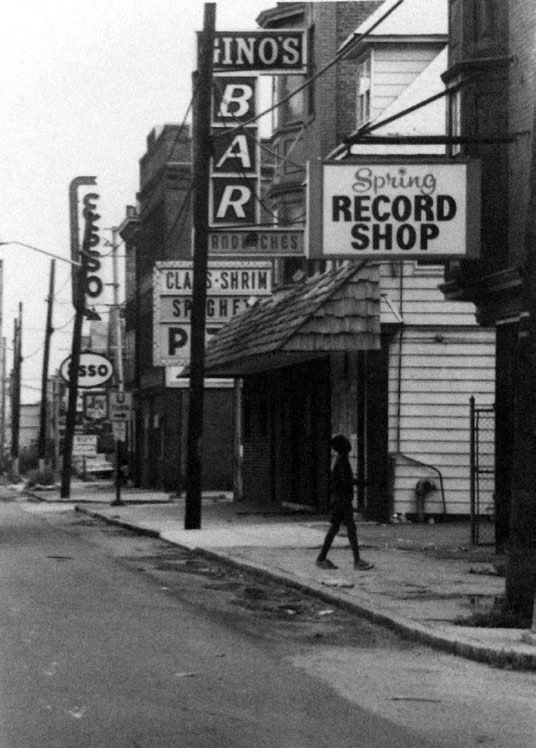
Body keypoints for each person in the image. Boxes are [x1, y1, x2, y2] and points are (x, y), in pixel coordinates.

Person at [316, 434, 374, 571]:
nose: (349, 444)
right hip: (342, 500)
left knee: (336, 528)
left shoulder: (339, 459)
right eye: (346, 442)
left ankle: (322, 558)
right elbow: (346, 480)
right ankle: (357, 561)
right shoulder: (342, 461)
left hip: (339, 499)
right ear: (343, 446)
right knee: (350, 529)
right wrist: (364, 483)